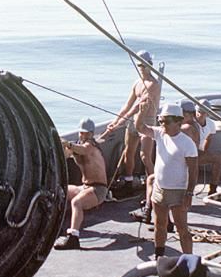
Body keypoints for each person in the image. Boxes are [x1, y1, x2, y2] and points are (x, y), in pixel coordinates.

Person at [100, 51, 161, 187]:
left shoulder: (153, 85)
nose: (141, 68)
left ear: (150, 66)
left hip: (148, 122)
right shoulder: (137, 83)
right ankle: (128, 180)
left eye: (144, 65)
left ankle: (153, 184)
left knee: (145, 156)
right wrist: (115, 121)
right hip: (133, 122)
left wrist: (119, 124)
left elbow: (137, 107)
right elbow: (127, 105)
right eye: (139, 65)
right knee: (129, 151)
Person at [146, 101, 198, 259]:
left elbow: (193, 171)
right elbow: (140, 128)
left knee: (182, 228)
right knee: (159, 225)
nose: (163, 125)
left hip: (178, 192)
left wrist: (189, 194)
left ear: (178, 122)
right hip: (159, 189)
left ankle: (189, 260)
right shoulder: (159, 134)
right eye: (160, 121)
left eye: (166, 121)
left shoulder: (187, 144)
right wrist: (142, 111)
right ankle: (159, 255)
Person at [54, 120, 109, 249]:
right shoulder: (77, 146)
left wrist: (68, 144)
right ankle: (56, 226)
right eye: (80, 133)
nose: (82, 136)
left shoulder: (91, 146)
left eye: (85, 133)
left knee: (76, 202)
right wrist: (61, 146)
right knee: (60, 191)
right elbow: (66, 155)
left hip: (98, 190)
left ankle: (73, 237)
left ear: (91, 134)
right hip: (84, 187)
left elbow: (84, 150)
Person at [194, 104, 221, 195]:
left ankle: (213, 189)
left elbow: (209, 138)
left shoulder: (211, 124)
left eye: (203, 112)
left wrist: (204, 152)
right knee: (193, 168)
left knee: (219, 158)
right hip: (187, 153)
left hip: (199, 152)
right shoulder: (191, 124)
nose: (200, 114)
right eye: (199, 111)